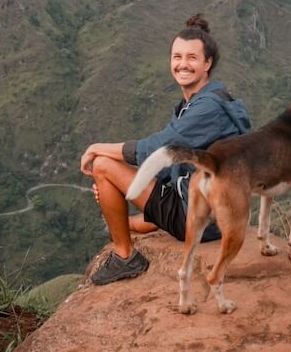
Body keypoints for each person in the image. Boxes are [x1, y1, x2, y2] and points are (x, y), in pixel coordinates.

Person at [80, 15, 252, 285]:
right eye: (177, 57)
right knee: (125, 220)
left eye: (192, 58)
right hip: (212, 209)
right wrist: (121, 185)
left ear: (208, 64)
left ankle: (125, 258)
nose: (183, 64)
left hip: (202, 219)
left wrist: (97, 149)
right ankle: (129, 226)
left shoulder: (207, 109)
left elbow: (157, 149)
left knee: (102, 164)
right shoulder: (201, 102)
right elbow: (170, 161)